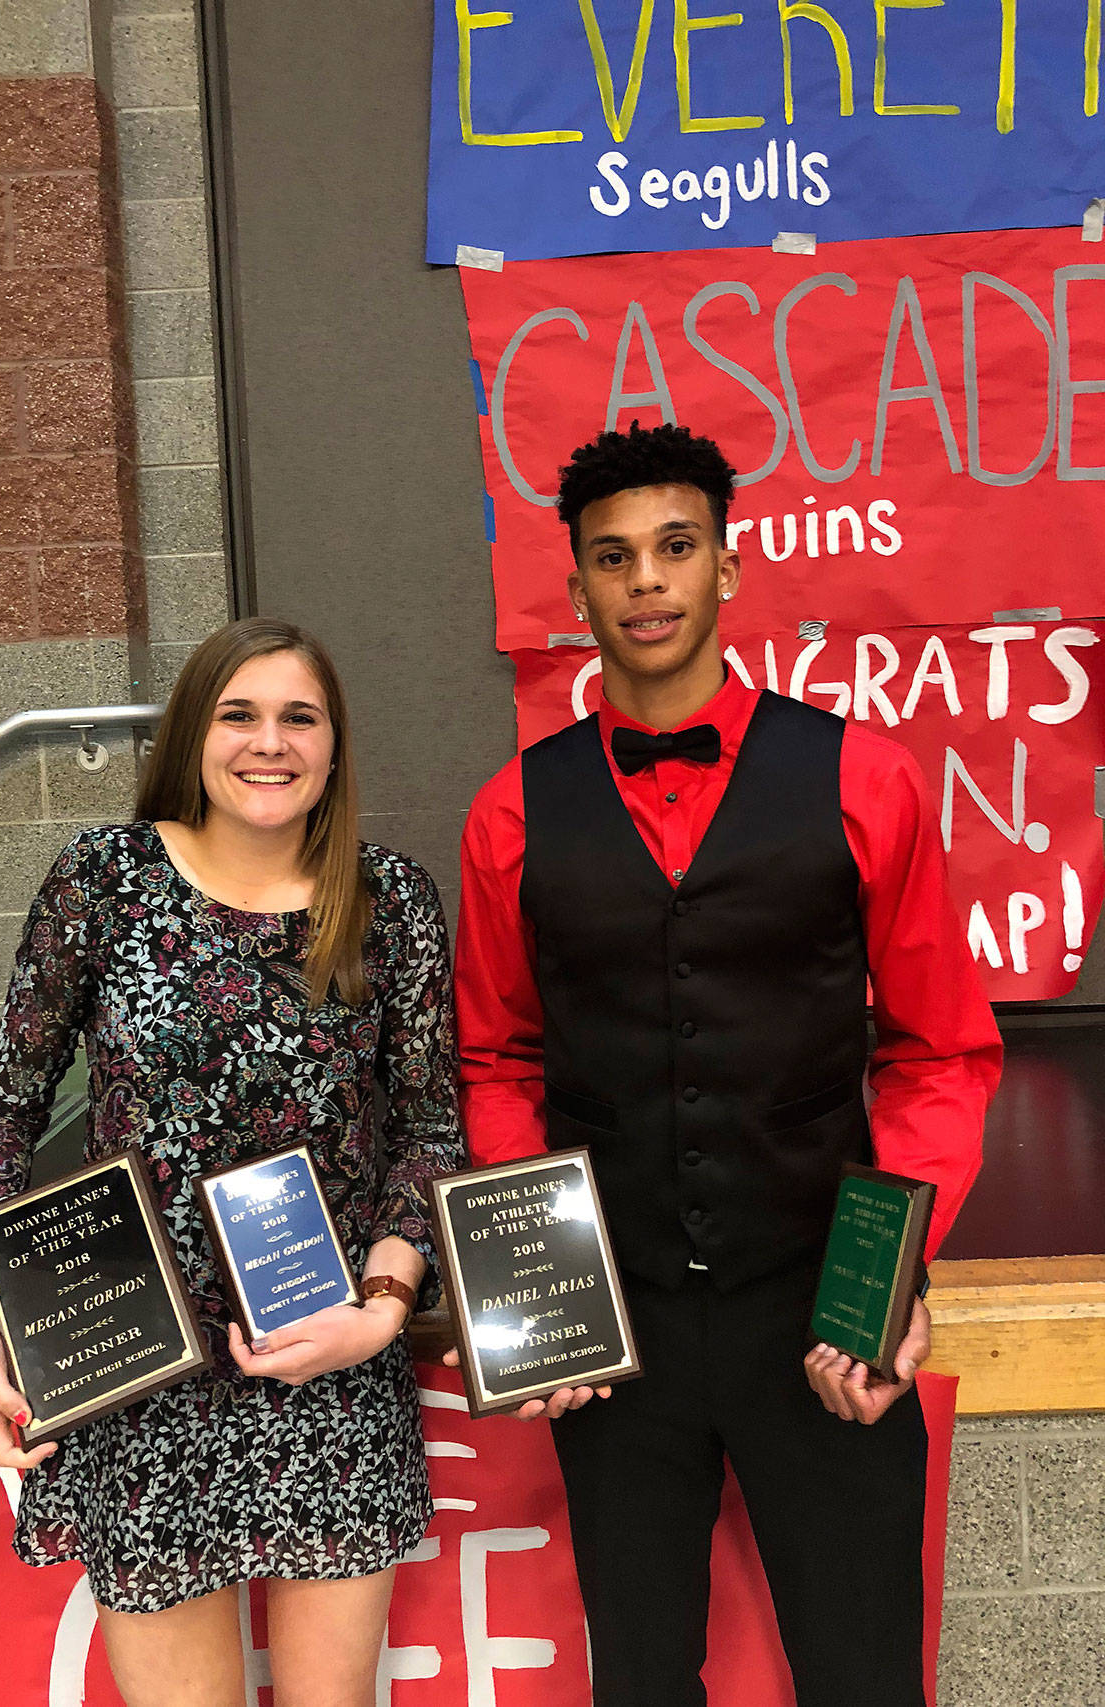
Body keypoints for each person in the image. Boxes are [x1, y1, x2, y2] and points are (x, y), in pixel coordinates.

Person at [454, 422, 1002, 1707]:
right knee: (639, 1679)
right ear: (575, 589)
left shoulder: (865, 780)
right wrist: (544, 1293)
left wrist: (887, 1280)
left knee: (865, 1674)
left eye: (673, 548)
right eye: (611, 558)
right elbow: (495, 1061)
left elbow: (939, 1053)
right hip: (618, 1323)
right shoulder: (509, 813)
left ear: (727, 568)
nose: (644, 580)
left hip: (815, 1304)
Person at [0, 617, 464, 1707]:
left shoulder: (391, 901)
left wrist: (379, 1304)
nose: (268, 743)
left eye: (297, 718)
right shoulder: (104, 879)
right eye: (239, 714)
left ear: (332, 746)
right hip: (136, 1361)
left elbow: (428, 1134)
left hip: (327, 1353)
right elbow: (9, 1099)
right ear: (194, 732)